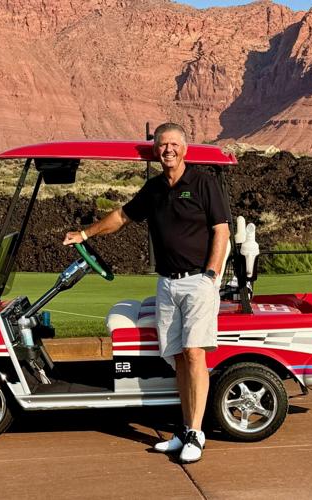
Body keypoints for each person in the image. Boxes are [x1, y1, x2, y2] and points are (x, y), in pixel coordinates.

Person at [63, 122, 230, 463]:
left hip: (198, 282)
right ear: (156, 151)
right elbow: (121, 216)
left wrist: (211, 275)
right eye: (162, 145)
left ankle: (196, 434)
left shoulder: (203, 182)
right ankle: (185, 429)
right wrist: (86, 233)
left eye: (174, 144)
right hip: (167, 283)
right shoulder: (153, 189)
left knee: (194, 353)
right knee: (179, 358)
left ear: (185, 148)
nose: (168, 150)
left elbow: (221, 230)